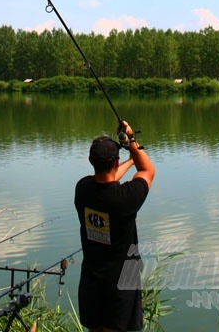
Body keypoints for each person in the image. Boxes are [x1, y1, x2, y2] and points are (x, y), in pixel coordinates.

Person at [74, 120, 155, 332]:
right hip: (120, 285)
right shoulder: (124, 199)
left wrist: (128, 159)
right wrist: (131, 141)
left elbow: (107, 181)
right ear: (115, 163)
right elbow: (147, 170)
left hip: (92, 282)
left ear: (91, 160)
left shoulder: (82, 189)